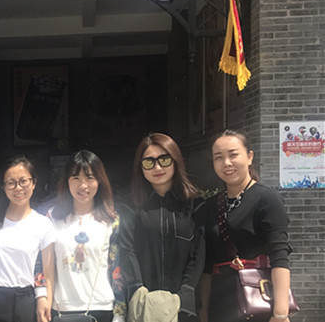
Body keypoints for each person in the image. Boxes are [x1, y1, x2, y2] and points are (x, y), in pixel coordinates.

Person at [200, 130, 292, 322]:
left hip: (258, 304)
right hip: (220, 306)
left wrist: (280, 313)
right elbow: (207, 265)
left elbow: (279, 256)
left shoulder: (266, 199)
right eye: (219, 157)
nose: (226, 163)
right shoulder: (210, 206)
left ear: (249, 157)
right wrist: (203, 310)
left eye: (233, 155)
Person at [120, 133, 205, 321]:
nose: (157, 167)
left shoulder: (194, 205)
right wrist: (136, 289)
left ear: (175, 161)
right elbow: (127, 249)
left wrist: (186, 292)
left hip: (183, 306)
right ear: (140, 167)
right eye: (149, 162)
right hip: (143, 305)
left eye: (164, 159)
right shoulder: (130, 206)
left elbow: (199, 254)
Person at [49, 150, 126, 322]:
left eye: (90, 178)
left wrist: (120, 312)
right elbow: (43, 265)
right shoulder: (52, 218)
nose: (83, 185)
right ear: (67, 181)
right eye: (75, 178)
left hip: (101, 307)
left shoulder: (111, 221)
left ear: (99, 181)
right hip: (61, 308)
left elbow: (117, 268)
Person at [0, 155, 56, 322]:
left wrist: (45, 303)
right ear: (3, 187)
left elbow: (48, 273)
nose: (18, 188)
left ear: (33, 183)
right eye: (11, 183)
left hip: (26, 301)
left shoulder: (43, 224)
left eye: (23, 181)